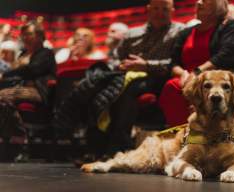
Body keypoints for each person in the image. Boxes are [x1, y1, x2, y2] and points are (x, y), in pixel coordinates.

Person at [53, 0, 184, 163]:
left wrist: (146, 65)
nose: (160, 13)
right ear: (148, 10)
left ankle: (116, 147)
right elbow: (114, 58)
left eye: (165, 9)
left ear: (172, 10)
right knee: (97, 91)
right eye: (156, 8)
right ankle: (94, 148)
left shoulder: (180, 31)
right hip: (125, 76)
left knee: (125, 89)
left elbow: (177, 63)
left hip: (157, 78)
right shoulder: (132, 33)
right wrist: (122, 65)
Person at [158, 0, 234, 127]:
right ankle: (182, 135)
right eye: (198, 0)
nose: (199, 3)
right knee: (172, 86)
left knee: (222, 88)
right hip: (188, 78)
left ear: (218, 6)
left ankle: (226, 137)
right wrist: (183, 74)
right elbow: (173, 62)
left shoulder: (230, 26)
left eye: (205, 0)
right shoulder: (186, 32)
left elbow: (226, 55)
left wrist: (197, 73)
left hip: (218, 76)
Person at [0, 21, 56, 143]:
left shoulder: (46, 53)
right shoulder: (23, 54)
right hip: (19, 89)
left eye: (29, 34)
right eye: (23, 34)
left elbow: (31, 70)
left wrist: (4, 75)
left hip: (38, 91)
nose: (25, 37)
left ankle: (19, 133)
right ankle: (13, 133)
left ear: (40, 36)